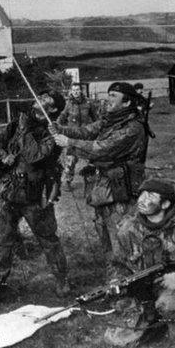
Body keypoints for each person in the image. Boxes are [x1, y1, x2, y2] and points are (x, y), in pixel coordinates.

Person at [51, 82, 147, 278]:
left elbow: (104, 147)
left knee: (122, 237)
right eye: (108, 94)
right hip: (104, 189)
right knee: (105, 235)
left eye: (113, 96)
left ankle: (130, 284)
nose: (108, 99)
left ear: (127, 102)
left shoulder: (133, 127)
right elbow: (87, 131)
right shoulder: (110, 120)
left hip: (122, 191)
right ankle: (115, 279)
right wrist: (61, 129)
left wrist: (69, 143)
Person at [0, 90, 70, 297]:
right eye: (39, 96)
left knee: (48, 239)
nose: (38, 100)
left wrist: (25, 131)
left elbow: (34, 155)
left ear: (52, 109)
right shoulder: (18, 123)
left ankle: (62, 280)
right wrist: (4, 155)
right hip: (10, 192)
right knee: (3, 238)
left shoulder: (52, 133)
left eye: (45, 100)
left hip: (36, 195)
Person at [104, 179, 175, 347]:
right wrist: (117, 280)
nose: (141, 199)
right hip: (142, 290)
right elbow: (116, 264)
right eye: (141, 194)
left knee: (170, 305)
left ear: (165, 203)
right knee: (118, 339)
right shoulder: (127, 229)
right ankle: (154, 326)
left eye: (150, 196)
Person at [57, 82, 98, 188]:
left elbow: (96, 118)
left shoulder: (88, 103)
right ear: (71, 91)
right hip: (73, 136)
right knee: (70, 160)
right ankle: (67, 181)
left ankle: (91, 182)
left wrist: (96, 130)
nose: (75, 92)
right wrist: (56, 126)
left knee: (90, 160)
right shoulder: (68, 103)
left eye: (77, 90)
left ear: (81, 91)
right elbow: (62, 116)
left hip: (86, 135)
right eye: (73, 90)